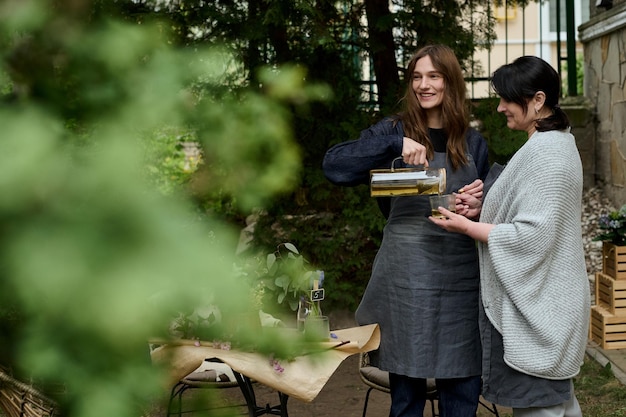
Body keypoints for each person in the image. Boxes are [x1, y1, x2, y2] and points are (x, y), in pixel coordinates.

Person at [322, 44, 490, 417]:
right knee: (407, 398)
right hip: (407, 284)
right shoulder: (394, 130)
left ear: (451, 82)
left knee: (462, 392)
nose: (423, 85)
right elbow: (334, 166)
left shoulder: (473, 142)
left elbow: (488, 211)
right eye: (417, 77)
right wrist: (394, 144)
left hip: (460, 283)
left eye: (434, 76)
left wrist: (478, 205)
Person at [430, 56, 590, 417]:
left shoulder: (548, 153)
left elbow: (531, 235)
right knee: (559, 405)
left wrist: (466, 227)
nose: (500, 106)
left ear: (537, 100)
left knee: (541, 406)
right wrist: (481, 207)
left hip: (542, 308)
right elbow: (530, 209)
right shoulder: (552, 142)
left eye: (506, 98)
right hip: (552, 300)